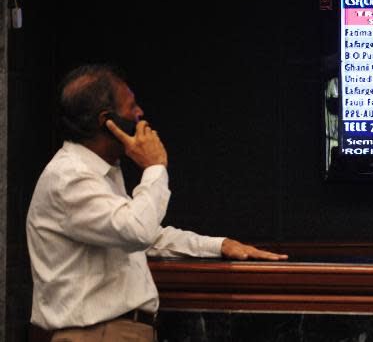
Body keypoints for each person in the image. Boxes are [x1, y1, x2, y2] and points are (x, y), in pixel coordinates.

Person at [26, 64, 288, 342]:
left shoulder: (98, 172)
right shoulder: (70, 176)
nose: (140, 114)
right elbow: (136, 230)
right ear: (107, 120)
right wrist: (155, 166)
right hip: (95, 334)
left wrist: (220, 245)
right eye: (132, 106)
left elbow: (145, 234)